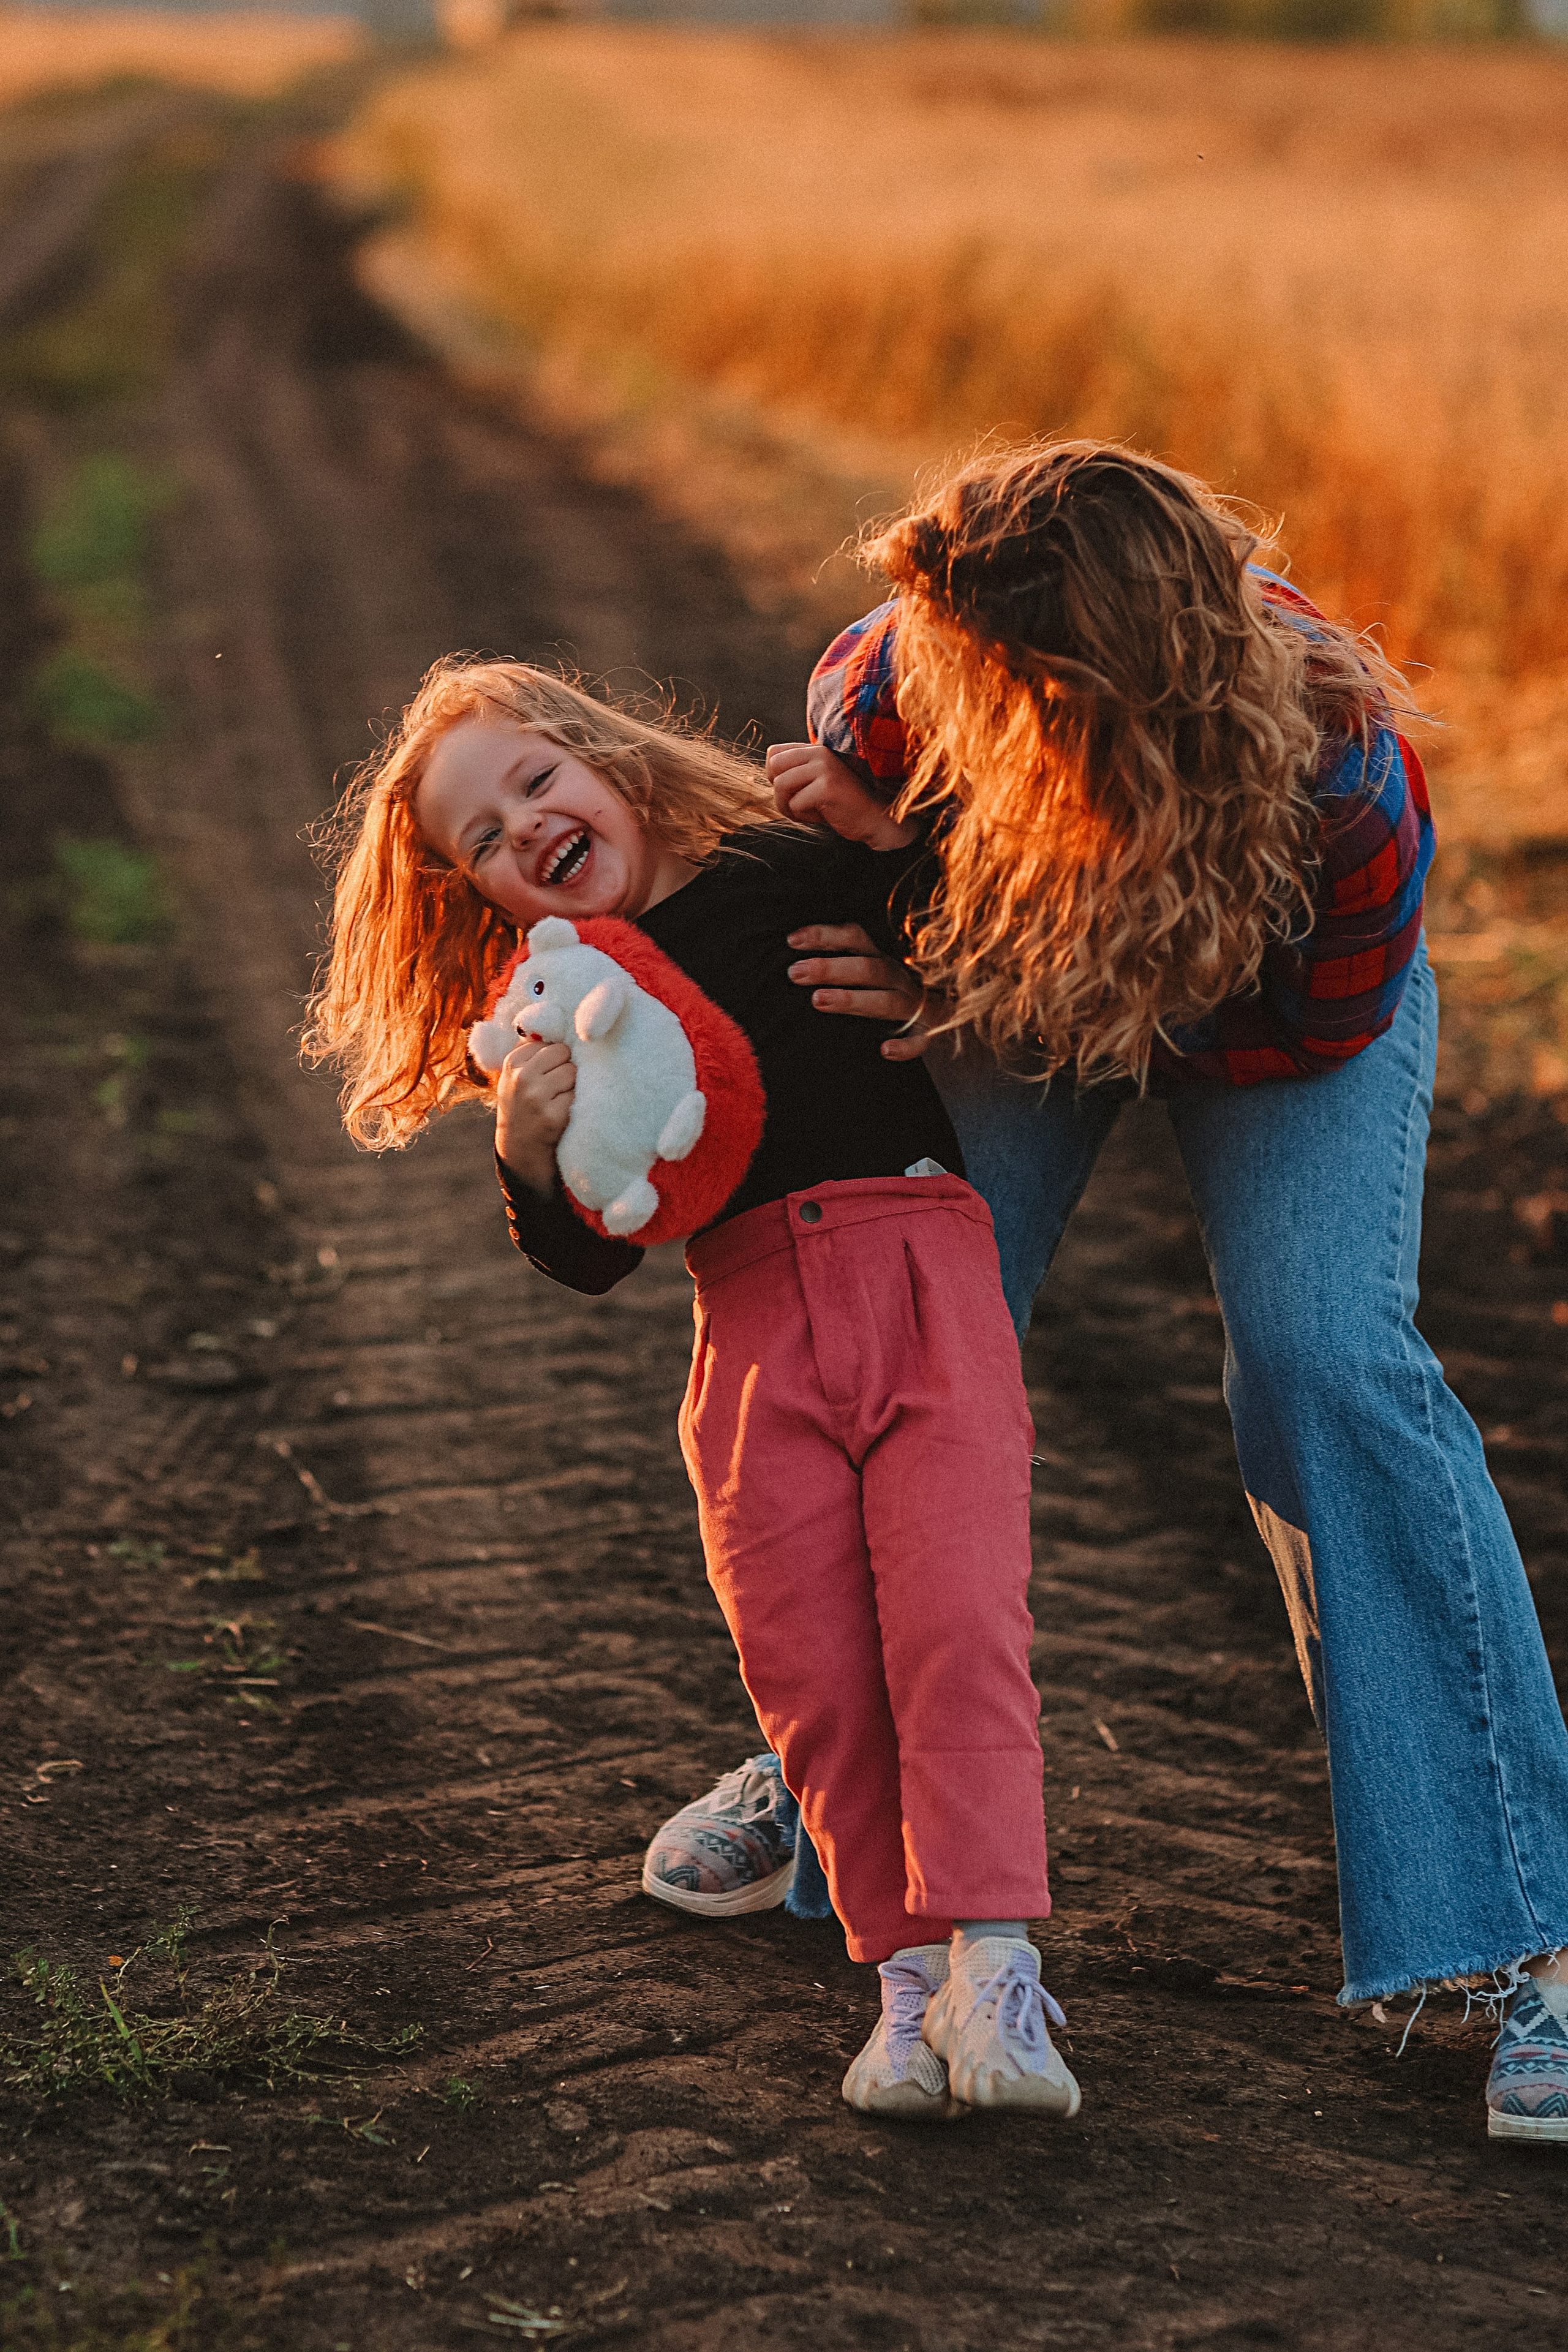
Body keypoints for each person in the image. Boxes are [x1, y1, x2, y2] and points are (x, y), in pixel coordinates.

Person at [645, 442, 1568, 2147]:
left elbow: (1290, 1036)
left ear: (1099, 698)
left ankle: (1527, 1932)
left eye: (981, 691)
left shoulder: (1346, 789)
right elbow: (858, 856)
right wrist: (912, 916)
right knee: (905, 1292)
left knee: (1321, 1358)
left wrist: (1025, 984)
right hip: (1021, 949)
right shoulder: (889, 682)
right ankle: (845, 1774)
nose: (923, 692)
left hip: (1262, 997)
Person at [304, 655, 1084, 2123]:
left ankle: (999, 1965)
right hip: (746, 1331)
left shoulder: (788, 867)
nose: (522, 826)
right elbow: (593, 1258)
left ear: (597, 756)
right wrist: (526, 1157)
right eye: (482, 838)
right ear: (479, 893)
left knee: (954, 1624)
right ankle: (904, 1990)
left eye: (533, 780)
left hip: (914, 1267)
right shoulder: (562, 1011)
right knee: (814, 1676)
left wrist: (918, 945)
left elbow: (980, 919)